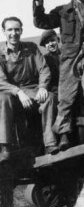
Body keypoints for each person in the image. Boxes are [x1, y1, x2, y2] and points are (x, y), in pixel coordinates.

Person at [31, 0, 84, 150]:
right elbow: (41, 21)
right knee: (65, 94)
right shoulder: (63, 11)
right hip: (69, 58)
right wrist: (38, 1)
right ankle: (64, 134)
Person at [0, 16, 58, 159]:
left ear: (21, 30)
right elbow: (0, 80)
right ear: (3, 31)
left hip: (33, 90)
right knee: (3, 98)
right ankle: (6, 146)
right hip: (11, 93)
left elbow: (44, 69)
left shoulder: (31, 47)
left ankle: (50, 143)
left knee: (50, 97)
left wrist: (43, 87)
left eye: (17, 29)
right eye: (10, 30)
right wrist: (18, 92)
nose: (14, 33)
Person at [39, 29, 60, 94]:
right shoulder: (44, 59)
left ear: (58, 40)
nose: (50, 44)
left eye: (53, 40)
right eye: (47, 42)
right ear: (44, 45)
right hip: (56, 89)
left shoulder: (67, 54)